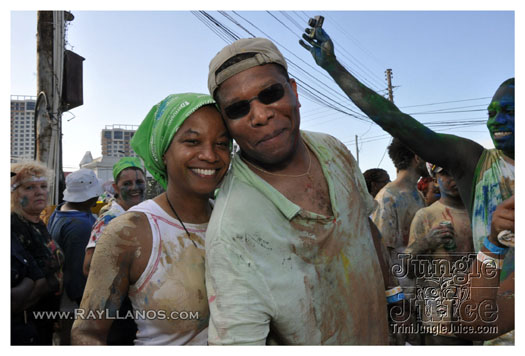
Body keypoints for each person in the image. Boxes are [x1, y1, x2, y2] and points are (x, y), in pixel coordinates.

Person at [300, 22, 514, 342]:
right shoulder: (477, 163)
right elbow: (397, 121)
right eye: (492, 111)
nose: (497, 120)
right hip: (478, 324)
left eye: (509, 110)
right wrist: (333, 67)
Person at [204, 37, 402, 345]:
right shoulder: (232, 231)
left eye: (270, 94)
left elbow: (363, 226)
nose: (260, 115)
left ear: (294, 92)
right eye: (239, 109)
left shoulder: (332, 148)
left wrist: (394, 297)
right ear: (227, 124)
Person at [71, 93, 231, 345]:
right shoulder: (130, 231)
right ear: (163, 152)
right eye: (192, 141)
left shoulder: (234, 220)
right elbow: (87, 333)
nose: (210, 155)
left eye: (222, 143)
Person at [405, 163, 474, 345]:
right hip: (440, 322)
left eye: (457, 171)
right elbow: (408, 270)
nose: (453, 178)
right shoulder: (425, 216)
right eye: (445, 173)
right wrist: (426, 243)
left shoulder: (479, 213)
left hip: (478, 318)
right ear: (435, 180)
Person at [82, 156, 145, 345]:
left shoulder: (141, 214)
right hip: (118, 310)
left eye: (139, 182)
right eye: (127, 183)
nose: (134, 187)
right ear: (116, 188)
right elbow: (88, 267)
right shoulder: (109, 220)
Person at [370, 138, 426, 345]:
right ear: (417, 157)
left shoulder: (418, 195)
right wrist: (396, 301)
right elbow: (383, 253)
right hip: (401, 295)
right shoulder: (387, 197)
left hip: (419, 290)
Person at [47, 168, 103, 345]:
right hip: (72, 302)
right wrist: (85, 306)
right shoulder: (79, 227)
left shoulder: (59, 212)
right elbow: (78, 272)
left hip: (61, 295)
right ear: (90, 197)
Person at [10, 161, 64, 345]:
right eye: (29, 187)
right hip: (25, 324)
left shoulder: (38, 222)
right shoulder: (14, 226)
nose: (39, 192)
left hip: (45, 317)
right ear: (14, 194)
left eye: (43, 186)